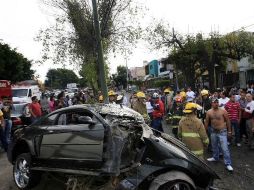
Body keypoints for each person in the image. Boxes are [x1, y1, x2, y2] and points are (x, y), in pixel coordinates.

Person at [205, 98, 233, 172]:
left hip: (222, 132)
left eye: (217, 102)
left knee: (225, 148)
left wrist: (229, 132)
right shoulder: (209, 112)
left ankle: (228, 163)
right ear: (212, 103)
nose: (216, 103)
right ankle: (215, 157)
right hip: (213, 131)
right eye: (214, 102)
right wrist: (205, 131)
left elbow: (228, 121)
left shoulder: (223, 111)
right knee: (214, 146)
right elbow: (207, 122)